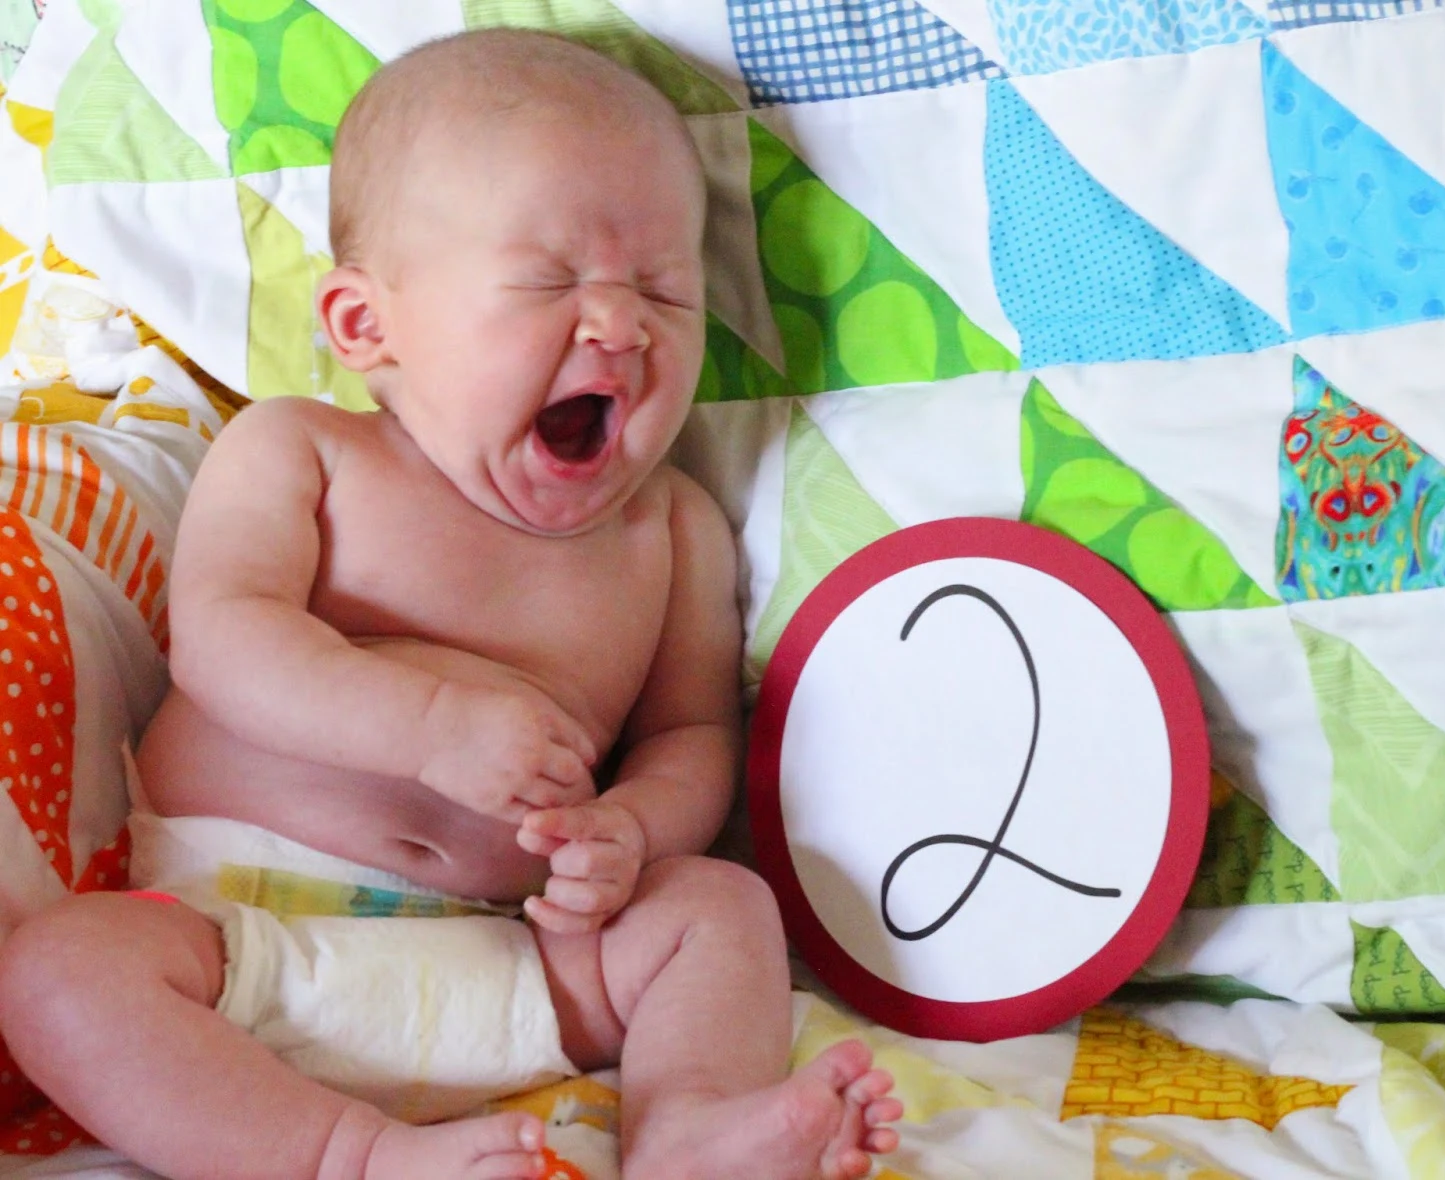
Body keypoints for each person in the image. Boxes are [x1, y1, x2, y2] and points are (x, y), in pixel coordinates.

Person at [0, 29, 901, 1180]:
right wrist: (426, 727)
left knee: (717, 905)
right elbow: (224, 640)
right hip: (235, 948)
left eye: (665, 291)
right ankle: (349, 1157)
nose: (620, 325)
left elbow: (690, 736)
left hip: (522, 964)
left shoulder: (672, 531)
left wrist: (634, 830)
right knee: (56, 972)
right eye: (548, 281)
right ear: (365, 325)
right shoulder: (301, 453)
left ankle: (687, 1131)